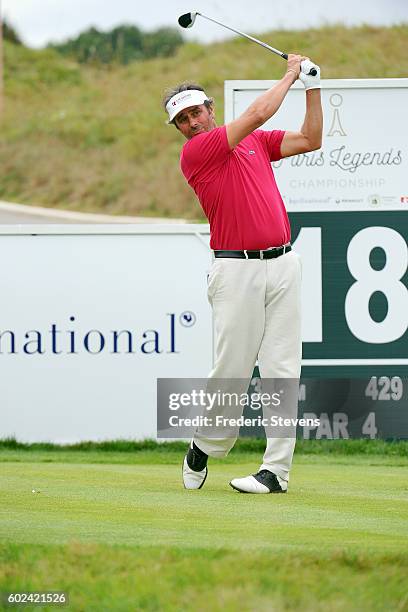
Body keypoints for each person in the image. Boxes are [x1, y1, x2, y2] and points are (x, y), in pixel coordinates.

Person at [163, 54, 323, 494]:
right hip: (235, 270)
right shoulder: (197, 152)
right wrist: (292, 73)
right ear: (178, 129)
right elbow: (256, 113)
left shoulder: (255, 144)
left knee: (283, 369)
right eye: (182, 119)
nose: (192, 122)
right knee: (232, 370)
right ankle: (203, 445)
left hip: (283, 263)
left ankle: (276, 472)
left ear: (211, 109)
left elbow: (311, 139)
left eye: (196, 112)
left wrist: (314, 87)